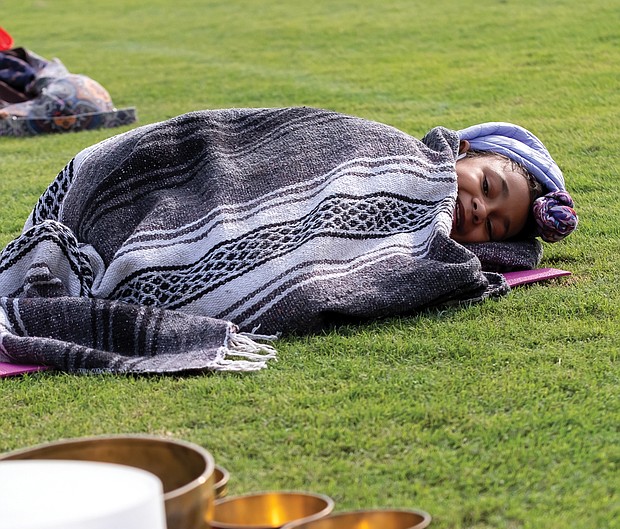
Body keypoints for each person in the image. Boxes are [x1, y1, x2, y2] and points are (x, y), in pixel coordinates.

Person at [0, 107, 577, 374]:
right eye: (485, 187)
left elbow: (334, 279)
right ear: (465, 154)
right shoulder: (392, 150)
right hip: (198, 195)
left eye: (494, 225)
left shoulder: (434, 257)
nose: (478, 209)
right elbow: (275, 146)